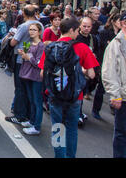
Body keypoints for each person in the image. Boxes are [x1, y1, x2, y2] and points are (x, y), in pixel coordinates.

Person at [38, 18, 97, 158]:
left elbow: (42, 74)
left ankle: (59, 155)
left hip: (55, 94)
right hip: (75, 96)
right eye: (77, 30)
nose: (78, 34)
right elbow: (92, 74)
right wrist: (81, 71)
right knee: (71, 128)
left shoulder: (50, 48)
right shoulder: (82, 48)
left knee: (58, 128)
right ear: (71, 30)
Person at [102, 9, 126, 158]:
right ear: (123, 23)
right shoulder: (116, 44)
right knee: (122, 132)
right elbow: (109, 72)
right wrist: (115, 95)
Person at [5, 5, 44, 125]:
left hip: (23, 59)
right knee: (28, 90)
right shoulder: (40, 24)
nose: (32, 32)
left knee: (21, 88)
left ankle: (20, 115)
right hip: (32, 59)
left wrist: (10, 37)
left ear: (24, 14)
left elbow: (13, 43)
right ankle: (28, 114)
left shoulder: (23, 26)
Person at [18, 23, 45, 135]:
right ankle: (32, 121)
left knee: (37, 101)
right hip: (27, 74)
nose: (31, 31)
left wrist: (29, 57)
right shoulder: (28, 43)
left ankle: (36, 126)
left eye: (34, 30)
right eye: (30, 29)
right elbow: (25, 59)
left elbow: (39, 62)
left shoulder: (41, 46)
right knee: (31, 99)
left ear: (39, 32)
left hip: (36, 76)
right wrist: (24, 55)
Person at [76, 17, 101, 126]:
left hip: (89, 69)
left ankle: (79, 112)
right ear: (80, 26)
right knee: (78, 93)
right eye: (84, 26)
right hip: (78, 69)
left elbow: (96, 52)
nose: (86, 29)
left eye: (89, 26)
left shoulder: (93, 38)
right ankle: (78, 114)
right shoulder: (76, 37)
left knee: (85, 90)